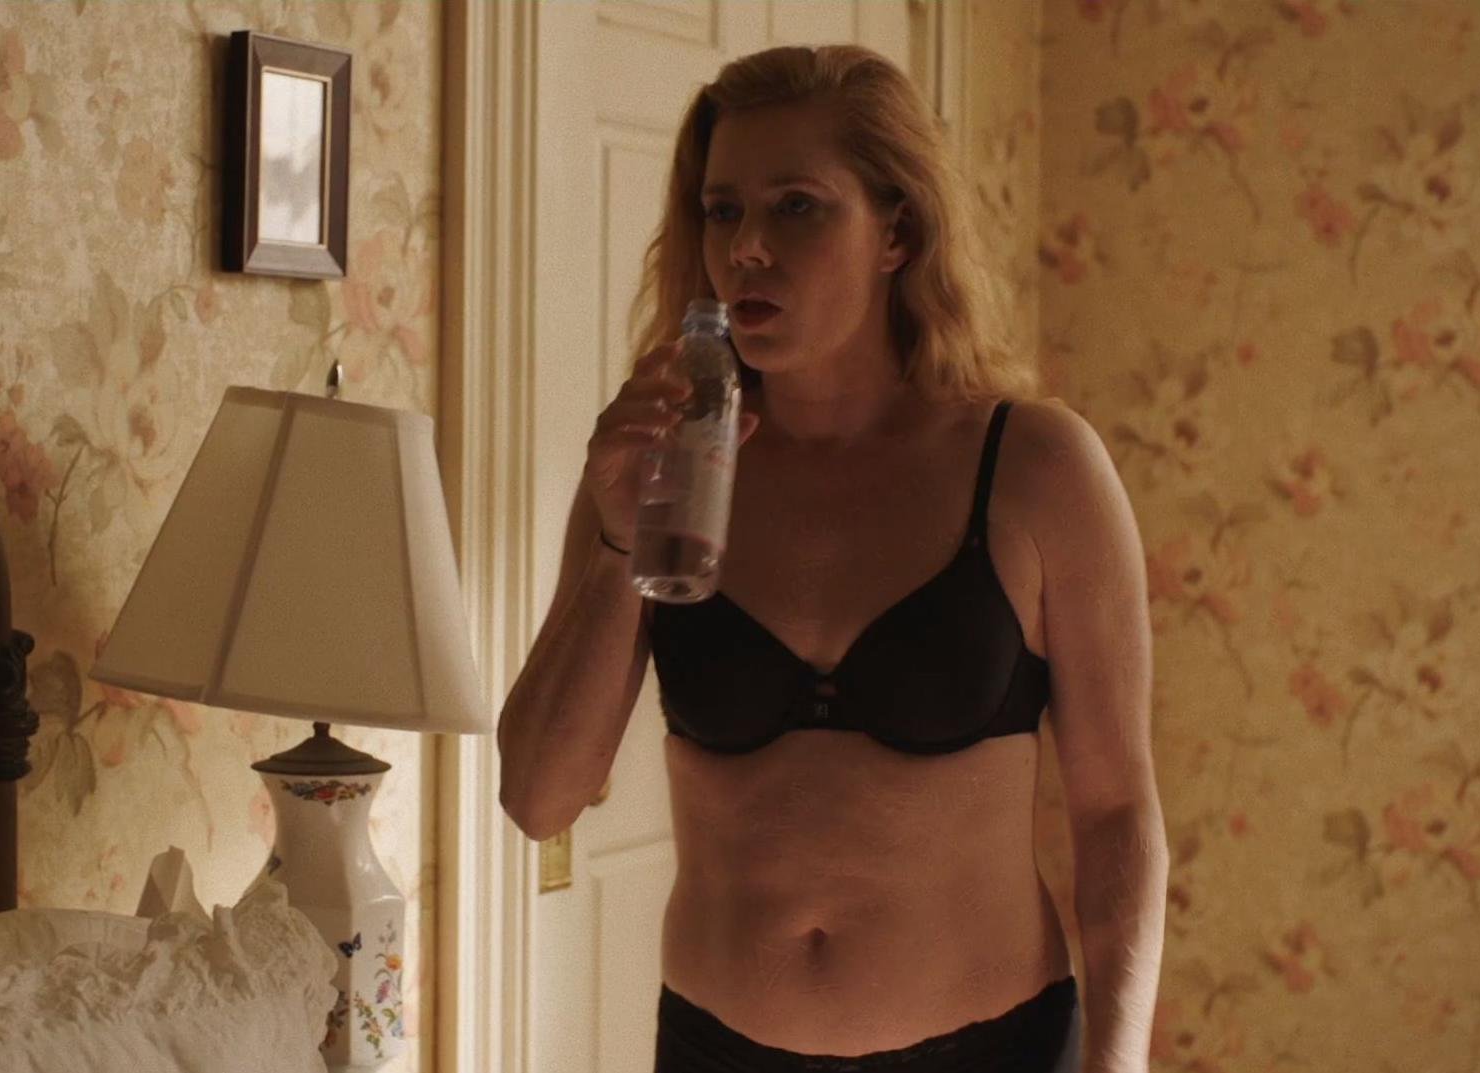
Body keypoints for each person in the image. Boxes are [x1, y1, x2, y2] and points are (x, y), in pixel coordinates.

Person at [496, 44, 1166, 1073]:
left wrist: (1119, 1064)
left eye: (796, 207)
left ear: (898, 230)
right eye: (722, 210)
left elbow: (1116, 812)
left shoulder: (1035, 467)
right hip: (718, 1050)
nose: (746, 249)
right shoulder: (661, 462)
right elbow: (539, 796)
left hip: (995, 1050)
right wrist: (618, 539)